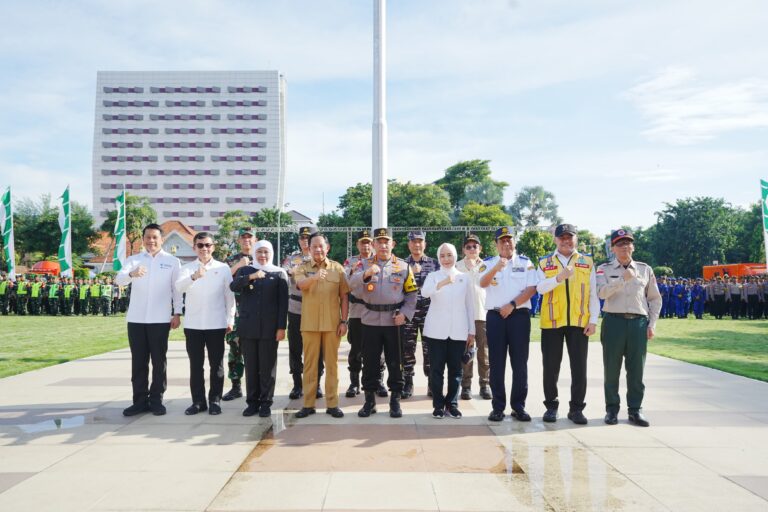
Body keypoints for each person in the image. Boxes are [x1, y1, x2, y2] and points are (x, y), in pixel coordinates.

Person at [349, 227, 418, 418]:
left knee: (395, 362)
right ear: (373, 245)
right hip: (369, 320)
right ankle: (369, 401)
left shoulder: (403, 267)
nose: (383, 245)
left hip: (393, 321)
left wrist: (405, 314)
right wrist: (365, 274)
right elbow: (350, 285)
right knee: (370, 362)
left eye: (386, 241)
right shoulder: (363, 264)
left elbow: (412, 294)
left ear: (393, 244)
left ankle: (395, 401)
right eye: (379, 241)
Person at [115, 223, 182, 417]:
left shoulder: (172, 262)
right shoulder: (133, 260)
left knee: (159, 361)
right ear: (143, 239)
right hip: (136, 319)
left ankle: (156, 400)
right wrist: (131, 274)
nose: (151, 241)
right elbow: (119, 279)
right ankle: (140, 401)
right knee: (138, 362)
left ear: (162, 240)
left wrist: (177, 313)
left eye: (155, 237)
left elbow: (176, 290)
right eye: (147, 237)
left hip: (160, 319)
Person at [596, 229, 662, 427]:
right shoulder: (604, 269)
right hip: (613, 322)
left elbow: (655, 298)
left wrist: (652, 324)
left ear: (633, 246)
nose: (625, 246)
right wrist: (622, 279)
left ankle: (635, 410)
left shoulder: (644, 269)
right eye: (620, 243)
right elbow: (601, 293)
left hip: (638, 323)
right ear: (613, 248)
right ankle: (612, 409)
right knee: (612, 368)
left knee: (636, 370)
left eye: (628, 242)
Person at [536, 224, 599, 425]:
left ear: (576, 239)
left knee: (579, 367)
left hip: (579, 321)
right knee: (551, 367)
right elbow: (539, 288)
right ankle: (551, 407)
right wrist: (558, 277)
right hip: (552, 321)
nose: (566, 240)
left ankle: (577, 409)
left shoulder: (586, 261)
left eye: (569, 237)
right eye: (561, 237)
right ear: (555, 240)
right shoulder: (545, 262)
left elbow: (593, 294)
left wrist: (593, 320)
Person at [479, 226, 538, 422]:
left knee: (519, 363)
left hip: (519, 316)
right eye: (502, 240)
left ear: (514, 242)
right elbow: (482, 283)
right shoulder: (489, 263)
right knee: (496, 363)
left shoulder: (526, 262)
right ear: (496, 244)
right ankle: (498, 407)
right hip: (495, 317)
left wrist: (512, 305)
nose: (506, 243)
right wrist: (496, 268)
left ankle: (518, 406)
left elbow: (531, 289)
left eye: (509, 239)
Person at [176, 232, 236, 416]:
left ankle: (215, 400)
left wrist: (230, 319)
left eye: (208, 245)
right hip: (193, 324)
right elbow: (179, 288)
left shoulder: (223, 268)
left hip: (216, 323)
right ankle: (198, 402)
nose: (204, 249)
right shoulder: (187, 268)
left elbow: (229, 296)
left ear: (213, 247)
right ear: (194, 247)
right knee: (196, 365)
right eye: (200, 245)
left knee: (216, 365)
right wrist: (194, 276)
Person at [294, 233, 350, 419]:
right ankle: (308, 404)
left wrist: (344, 321)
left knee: (332, 365)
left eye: (321, 246)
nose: (318, 249)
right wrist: (316, 277)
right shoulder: (302, 267)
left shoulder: (338, 269)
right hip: (309, 324)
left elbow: (344, 297)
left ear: (327, 248)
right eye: (314, 246)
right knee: (309, 365)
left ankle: (332, 404)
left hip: (332, 325)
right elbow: (301, 285)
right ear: (308, 249)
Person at [231, 240, 289, 418]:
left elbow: (283, 303)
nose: (262, 256)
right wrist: (252, 277)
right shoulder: (246, 271)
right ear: (254, 253)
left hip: (270, 329)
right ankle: (252, 402)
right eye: (259, 252)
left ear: (271, 253)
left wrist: (281, 327)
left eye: (266, 252)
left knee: (267, 367)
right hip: (248, 327)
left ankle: (265, 403)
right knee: (251, 366)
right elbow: (233, 286)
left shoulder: (279, 273)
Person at [421, 242, 475, 419]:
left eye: (449, 255)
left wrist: (471, 331)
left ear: (455, 256)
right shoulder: (433, 276)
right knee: (436, 370)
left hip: (458, 331)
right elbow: (424, 293)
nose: (446, 259)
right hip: (436, 331)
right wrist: (442, 283)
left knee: (456, 371)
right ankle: (438, 405)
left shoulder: (464, 277)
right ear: (438, 257)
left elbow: (470, 305)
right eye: (442, 255)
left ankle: (452, 404)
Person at [342, 229, 388, 398]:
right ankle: (354, 383)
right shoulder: (351, 262)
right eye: (363, 242)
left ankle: (379, 381)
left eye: (369, 242)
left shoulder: (380, 261)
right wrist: (353, 271)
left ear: (373, 244)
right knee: (356, 350)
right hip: (357, 312)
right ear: (357, 244)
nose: (366, 245)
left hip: (375, 312)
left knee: (378, 350)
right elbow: (345, 284)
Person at [282, 226, 324, 400]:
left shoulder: (321, 259)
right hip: (296, 309)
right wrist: (289, 271)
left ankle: (316, 384)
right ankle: (297, 384)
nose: (305, 241)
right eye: (302, 238)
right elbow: (283, 274)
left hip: (315, 309)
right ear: (298, 240)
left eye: (309, 237)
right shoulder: (292, 259)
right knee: (295, 348)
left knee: (317, 349)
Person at [402, 230, 438, 399]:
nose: (417, 244)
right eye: (413, 241)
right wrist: (412, 273)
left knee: (429, 349)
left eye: (420, 241)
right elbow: (398, 289)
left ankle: (432, 383)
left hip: (429, 314)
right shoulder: (402, 264)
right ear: (409, 244)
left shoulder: (434, 264)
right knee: (407, 349)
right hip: (409, 314)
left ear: (425, 244)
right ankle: (407, 382)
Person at [222, 227, 257, 402]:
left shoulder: (262, 257)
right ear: (239, 241)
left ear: (255, 240)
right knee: (235, 350)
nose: (246, 240)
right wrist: (239, 265)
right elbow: (221, 278)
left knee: (255, 351)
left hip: (256, 312)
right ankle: (236, 386)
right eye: (243, 238)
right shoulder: (231, 260)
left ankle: (256, 386)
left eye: (249, 237)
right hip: (236, 312)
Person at [455, 234, 491, 401]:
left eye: (474, 246)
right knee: (466, 352)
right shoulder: (457, 266)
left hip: (483, 315)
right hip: (463, 316)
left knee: (484, 353)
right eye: (468, 246)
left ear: (480, 249)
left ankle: (485, 385)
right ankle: (466, 386)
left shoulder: (488, 266)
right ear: (463, 249)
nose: (471, 249)